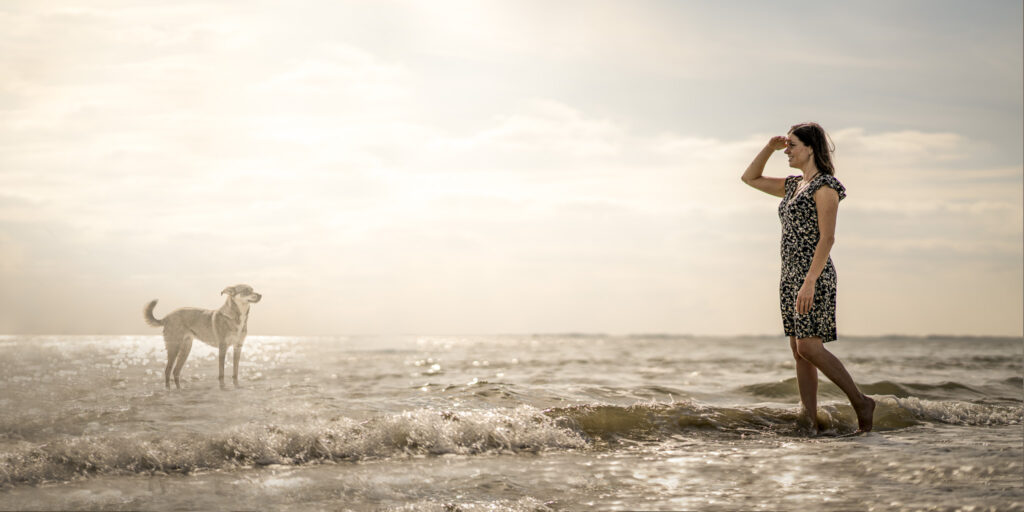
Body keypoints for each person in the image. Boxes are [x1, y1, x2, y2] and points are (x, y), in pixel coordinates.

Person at [741, 122, 875, 433]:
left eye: (792, 146)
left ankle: (861, 401)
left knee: (810, 348)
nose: (786, 151)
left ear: (810, 148)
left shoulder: (826, 187)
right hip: (789, 276)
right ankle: (810, 421)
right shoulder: (793, 186)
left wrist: (810, 281)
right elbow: (750, 178)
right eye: (785, 146)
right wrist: (768, 147)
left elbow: (827, 239)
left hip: (812, 276)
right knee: (798, 351)